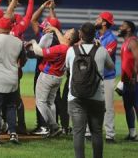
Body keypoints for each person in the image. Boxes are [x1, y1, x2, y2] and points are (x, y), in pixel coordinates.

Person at [65, 22, 114, 158]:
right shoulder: (101, 50)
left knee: (78, 132)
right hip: (97, 97)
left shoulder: (71, 50)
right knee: (97, 132)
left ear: (80, 34)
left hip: (75, 97)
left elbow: (68, 68)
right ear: (94, 35)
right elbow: (111, 67)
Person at [0, 17, 27, 146]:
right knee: (11, 107)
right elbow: (23, 60)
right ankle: (13, 133)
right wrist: (16, 67)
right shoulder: (18, 42)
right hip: (12, 79)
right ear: (11, 28)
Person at [29, 26, 79, 137]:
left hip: (47, 76)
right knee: (50, 103)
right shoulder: (70, 49)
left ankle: (54, 127)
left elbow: (39, 52)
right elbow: (63, 42)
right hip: (58, 77)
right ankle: (54, 128)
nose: (65, 32)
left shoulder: (61, 48)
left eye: (68, 32)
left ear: (70, 38)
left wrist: (33, 42)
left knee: (40, 102)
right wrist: (55, 29)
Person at [87, 11, 118, 142]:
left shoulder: (112, 39)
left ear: (104, 22)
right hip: (93, 76)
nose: (96, 20)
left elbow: (105, 56)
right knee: (89, 105)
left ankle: (110, 135)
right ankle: (88, 133)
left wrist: (96, 45)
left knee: (108, 107)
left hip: (107, 78)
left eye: (99, 18)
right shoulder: (92, 35)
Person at [118, 20, 138, 141]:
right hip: (126, 81)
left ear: (129, 29)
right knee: (128, 106)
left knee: (136, 106)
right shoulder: (126, 42)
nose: (120, 28)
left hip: (134, 81)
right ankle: (132, 134)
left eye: (122, 26)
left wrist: (134, 77)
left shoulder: (133, 42)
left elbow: (137, 60)